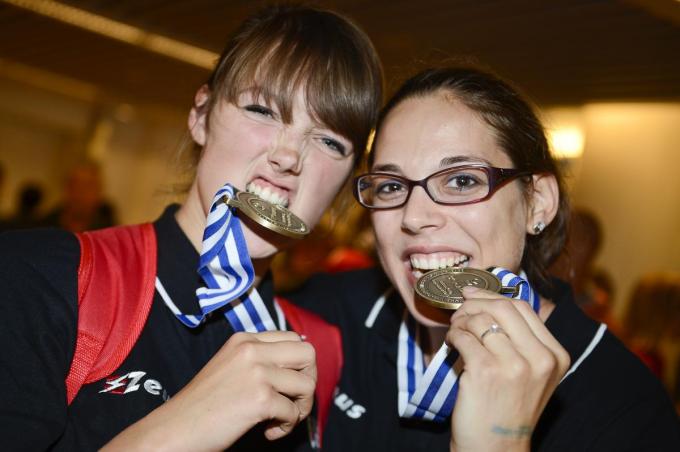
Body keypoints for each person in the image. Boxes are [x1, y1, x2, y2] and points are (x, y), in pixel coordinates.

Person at [0, 5, 382, 451]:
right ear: (201, 115)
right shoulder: (44, 278)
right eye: (262, 110)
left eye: (329, 141)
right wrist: (190, 422)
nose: (289, 157)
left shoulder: (324, 351)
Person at [288, 67, 680, 451]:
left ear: (537, 202)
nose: (414, 217)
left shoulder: (626, 409)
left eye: (461, 180)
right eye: (391, 186)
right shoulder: (327, 311)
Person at [41, 161, 117, 232]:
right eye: (76, 185)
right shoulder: (43, 228)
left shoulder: (109, 235)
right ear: (66, 189)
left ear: (99, 192)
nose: (81, 193)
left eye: (88, 187)